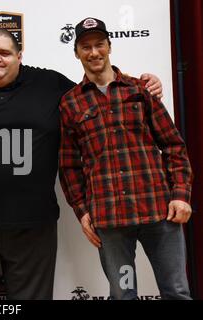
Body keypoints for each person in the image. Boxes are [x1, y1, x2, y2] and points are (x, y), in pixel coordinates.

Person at [0, 28, 163, 300]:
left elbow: (97, 91)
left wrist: (143, 84)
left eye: (5, 53)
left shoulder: (49, 84)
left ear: (19, 57)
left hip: (34, 226)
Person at [59, 17, 193, 300]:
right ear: (76, 53)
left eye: (99, 45)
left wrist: (181, 195)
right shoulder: (71, 103)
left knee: (177, 292)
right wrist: (82, 212)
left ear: (109, 46)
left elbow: (173, 146)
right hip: (110, 222)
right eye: (86, 47)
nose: (93, 52)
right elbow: (69, 166)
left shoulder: (140, 90)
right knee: (123, 294)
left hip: (160, 214)